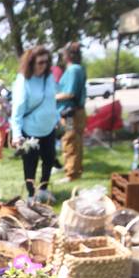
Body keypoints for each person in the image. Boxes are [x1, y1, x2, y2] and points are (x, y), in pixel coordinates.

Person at [11, 45, 59, 202]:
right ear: (31, 63)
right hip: (30, 130)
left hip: (49, 129)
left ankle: (43, 189)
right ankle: (32, 194)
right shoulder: (23, 80)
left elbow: (52, 101)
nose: (44, 66)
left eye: (47, 62)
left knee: (49, 160)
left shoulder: (49, 77)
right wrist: (17, 134)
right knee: (30, 163)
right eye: (40, 62)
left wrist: (56, 119)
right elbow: (17, 109)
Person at [55, 42, 87, 182]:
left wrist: (51, 97)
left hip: (70, 114)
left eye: (63, 54)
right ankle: (72, 168)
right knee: (74, 141)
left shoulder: (73, 70)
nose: (61, 56)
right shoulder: (76, 69)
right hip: (72, 113)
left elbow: (70, 93)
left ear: (68, 55)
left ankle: (71, 173)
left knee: (70, 140)